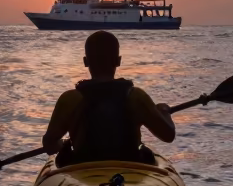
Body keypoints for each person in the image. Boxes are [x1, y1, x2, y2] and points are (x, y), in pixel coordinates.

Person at [42, 30, 176, 166]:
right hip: (131, 168)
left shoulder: (70, 99)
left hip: (82, 169)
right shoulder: (136, 96)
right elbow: (168, 135)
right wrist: (164, 111)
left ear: (86, 61)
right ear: (118, 61)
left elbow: (49, 144)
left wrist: (63, 144)